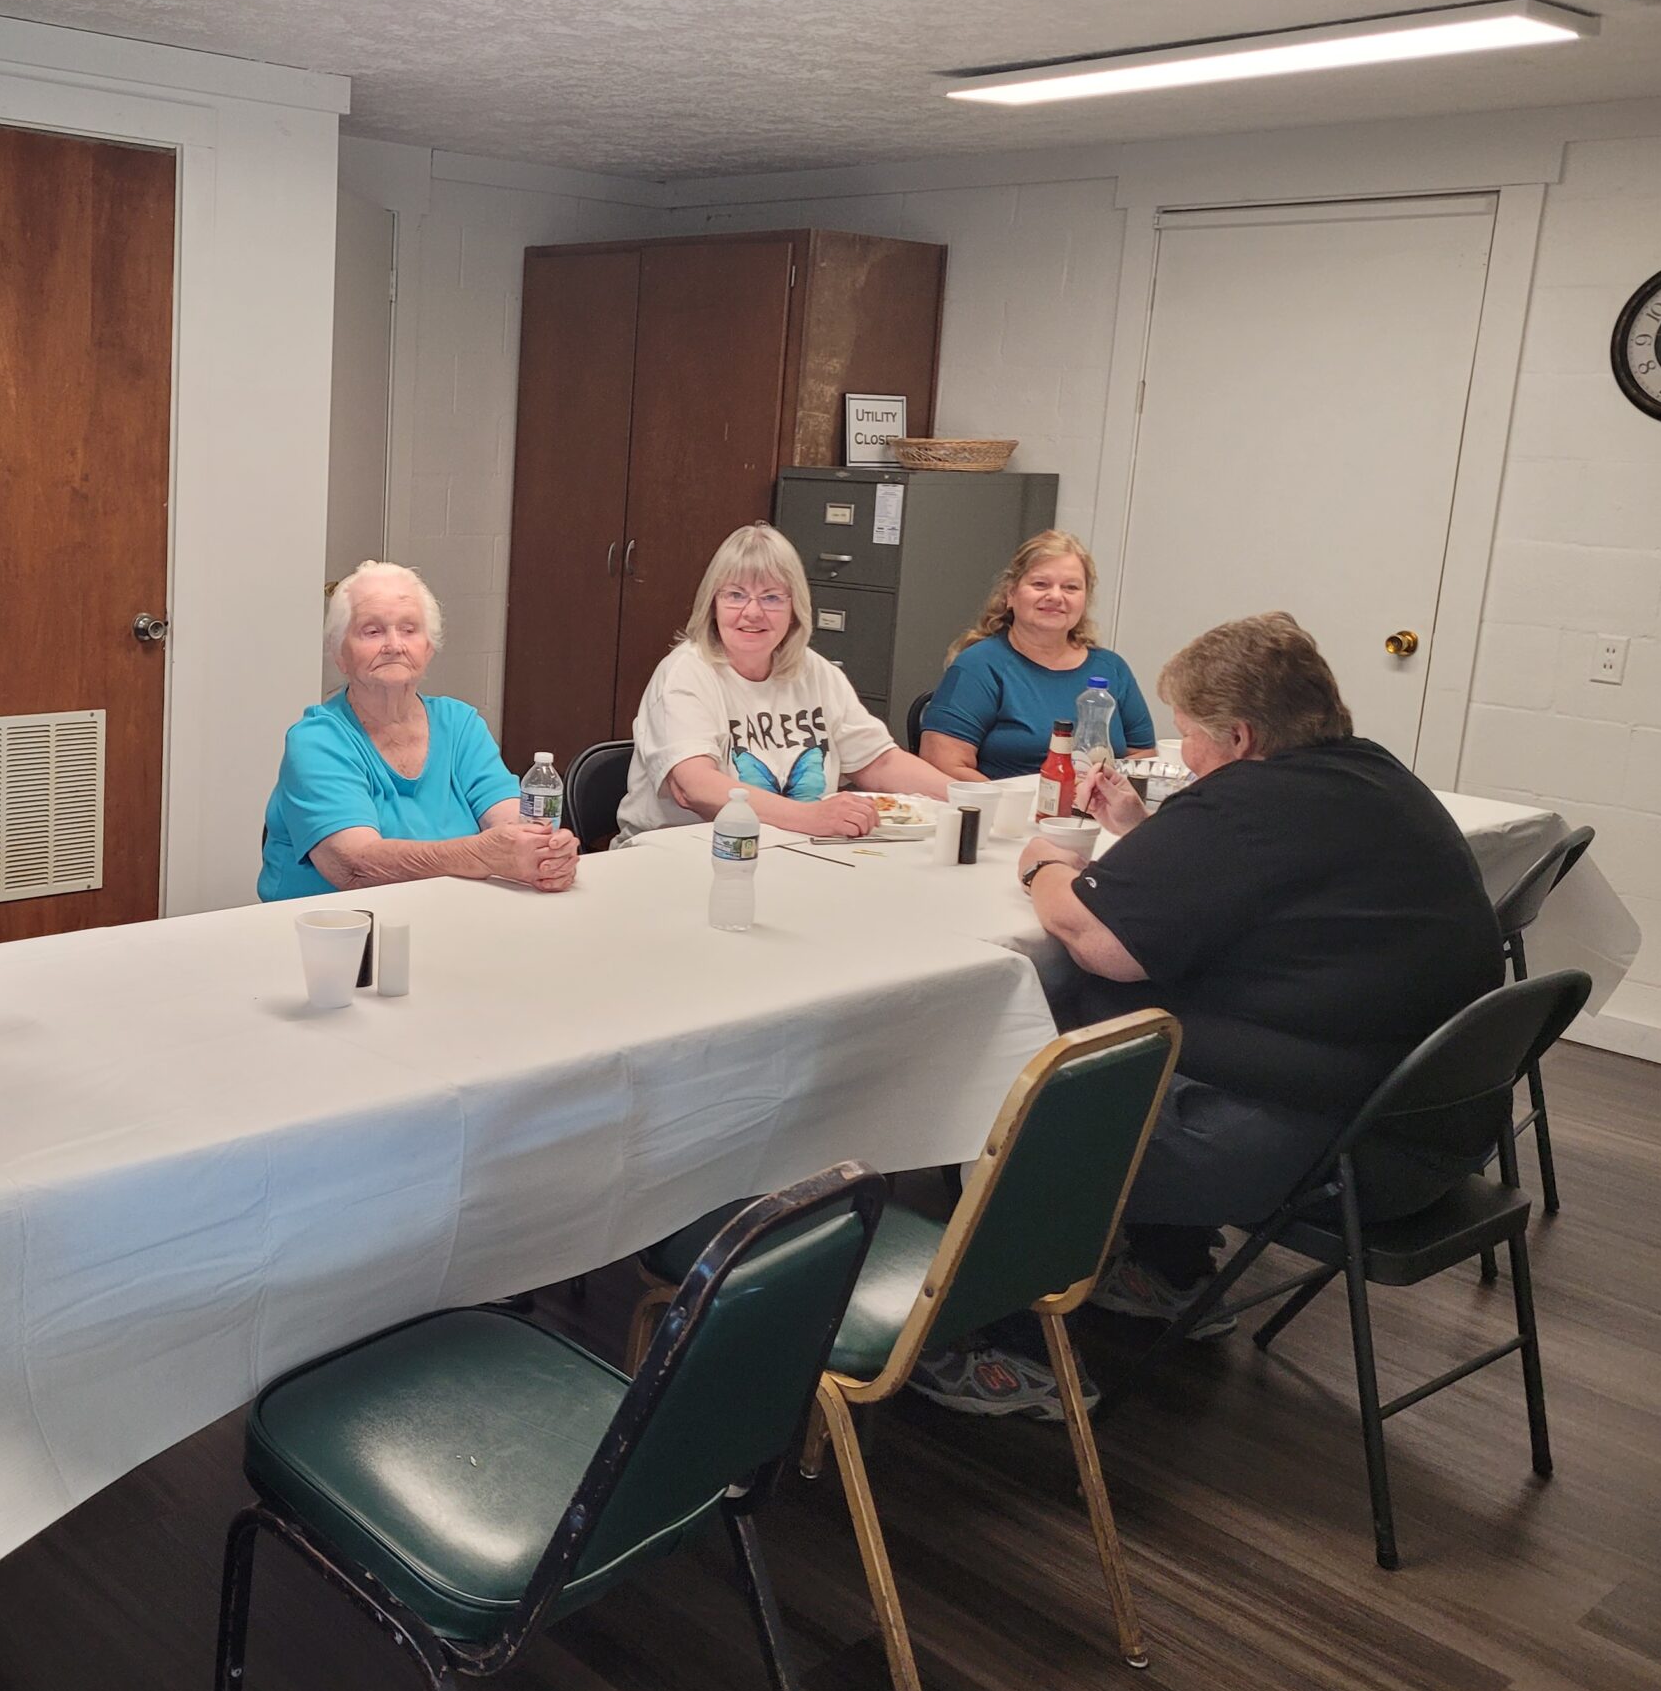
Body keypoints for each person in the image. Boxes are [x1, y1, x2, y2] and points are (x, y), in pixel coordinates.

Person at [913, 612, 1504, 1419]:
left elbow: (1100, 938)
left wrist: (1046, 866)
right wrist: (1143, 831)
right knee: (1135, 1019)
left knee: (1017, 1099)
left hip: (1329, 1155)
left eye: (1189, 735)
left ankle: (999, 1345)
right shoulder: (1372, 778)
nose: (1180, 755)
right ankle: (1167, 1268)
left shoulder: (1246, 805)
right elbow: (1258, 890)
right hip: (1429, 1128)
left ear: (1240, 736)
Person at [616, 523, 953, 844]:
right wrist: (811, 818)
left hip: (791, 849)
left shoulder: (815, 672)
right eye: (735, 595)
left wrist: (971, 798)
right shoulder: (686, 673)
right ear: (712, 605)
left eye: (772, 597)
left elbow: (880, 762)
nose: (752, 612)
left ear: (795, 608)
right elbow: (695, 787)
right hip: (685, 854)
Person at [259, 560, 577, 899]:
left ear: (428, 648)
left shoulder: (460, 724)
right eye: (372, 631)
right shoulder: (317, 741)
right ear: (340, 654)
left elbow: (509, 821)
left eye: (409, 630)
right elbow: (354, 866)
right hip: (332, 934)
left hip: (448, 916)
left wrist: (543, 852)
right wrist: (483, 855)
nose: (394, 645)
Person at [917, 530, 1155, 781]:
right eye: (1040, 584)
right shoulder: (978, 666)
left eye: (1070, 587)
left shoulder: (1112, 668)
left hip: (1096, 815)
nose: (1055, 596)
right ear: (1010, 594)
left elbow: (1142, 756)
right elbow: (943, 767)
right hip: (1008, 815)